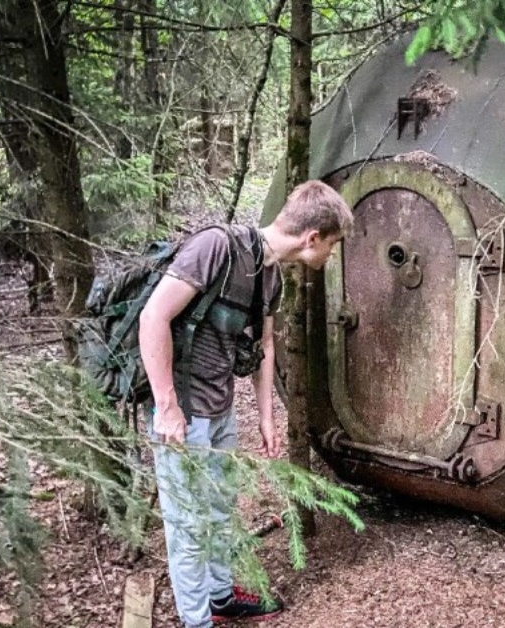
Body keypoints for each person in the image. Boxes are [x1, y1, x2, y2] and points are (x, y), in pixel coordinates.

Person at [138, 180, 353, 628]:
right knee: (188, 524)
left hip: (219, 408)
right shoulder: (217, 247)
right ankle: (195, 620)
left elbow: (265, 346)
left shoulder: (271, 273)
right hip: (183, 411)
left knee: (220, 508)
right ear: (311, 238)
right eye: (331, 246)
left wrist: (268, 419)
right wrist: (167, 407)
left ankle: (220, 596)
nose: (330, 256)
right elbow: (153, 316)